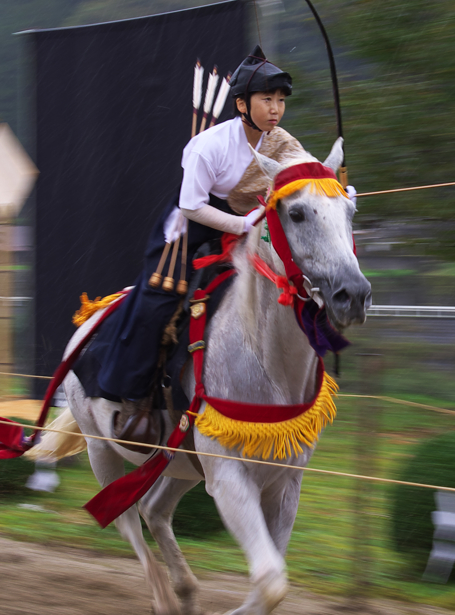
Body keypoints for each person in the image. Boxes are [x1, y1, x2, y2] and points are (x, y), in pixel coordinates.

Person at [96, 46, 305, 446]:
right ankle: (135, 398)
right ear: (241, 104)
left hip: (245, 224)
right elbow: (192, 205)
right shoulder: (210, 145)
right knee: (158, 300)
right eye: (267, 99)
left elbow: (306, 170)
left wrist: (334, 188)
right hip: (189, 228)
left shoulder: (279, 141)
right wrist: (240, 223)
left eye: (280, 100)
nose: (276, 109)